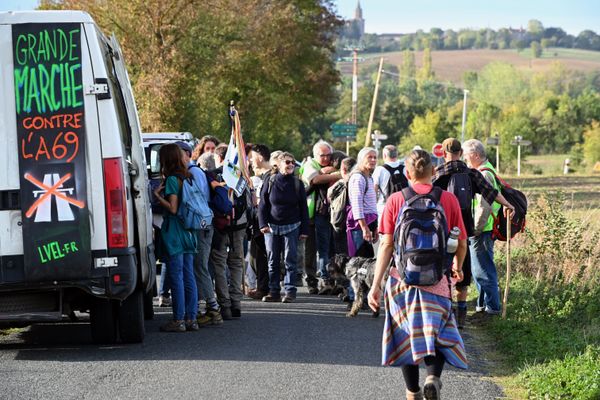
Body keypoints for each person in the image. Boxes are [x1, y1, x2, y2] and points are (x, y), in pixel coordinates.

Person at [368, 149, 468, 400]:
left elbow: (387, 245)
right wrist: (458, 266)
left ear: (407, 173)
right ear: (434, 171)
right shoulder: (448, 199)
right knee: (440, 332)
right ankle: (433, 377)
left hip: (403, 281)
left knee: (406, 334)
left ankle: (412, 393)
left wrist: (376, 284)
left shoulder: (394, 200)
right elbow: (462, 242)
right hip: (438, 280)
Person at [432, 138, 514, 328]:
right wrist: (508, 205)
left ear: (444, 154)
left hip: (442, 231)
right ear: (460, 153)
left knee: (443, 271)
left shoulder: (439, 173)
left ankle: (445, 313)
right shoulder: (471, 173)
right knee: (463, 272)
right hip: (464, 230)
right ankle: (461, 317)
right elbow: (491, 193)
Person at [175, 141, 223, 326]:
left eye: (179, 155)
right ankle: (207, 307)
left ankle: (213, 309)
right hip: (203, 224)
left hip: (201, 226)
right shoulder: (195, 172)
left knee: (200, 267)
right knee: (199, 267)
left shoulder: (193, 173)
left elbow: (195, 202)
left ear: (187, 154)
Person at [153, 144, 199, 332]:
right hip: (189, 230)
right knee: (189, 276)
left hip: (175, 231)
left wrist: (157, 195)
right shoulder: (189, 177)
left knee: (176, 276)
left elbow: (172, 208)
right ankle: (191, 319)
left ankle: (178, 319)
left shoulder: (172, 180)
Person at [259, 152, 309, 303]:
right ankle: (273, 291)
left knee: (290, 260)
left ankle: (290, 291)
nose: (291, 165)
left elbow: (303, 208)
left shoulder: (297, 183)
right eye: (287, 162)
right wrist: (262, 224)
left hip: (292, 226)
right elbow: (262, 204)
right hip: (272, 227)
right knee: (273, 260)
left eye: (293, 163)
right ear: (279, 164)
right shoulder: (270, 180)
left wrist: (304, 230)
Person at [209, 143, 251, 320]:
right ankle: (236, 303)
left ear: (219, 158)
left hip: (220, 227)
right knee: (236, 264)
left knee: (219, 264)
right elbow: (250, 204)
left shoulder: (212, 176)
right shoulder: (241, 176)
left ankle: (224, 305)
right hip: (239, 227)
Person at [462, 139, 503, 318]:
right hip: (484, 228)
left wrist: (476, 228)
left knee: (483, 270)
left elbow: (484, 205)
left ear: (476, 155)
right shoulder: (485, 169)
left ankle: (492, 309)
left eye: (466, 154)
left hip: (483, 229)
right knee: (480, 269)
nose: (464, 157)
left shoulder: (485, 174)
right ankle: (482, 307)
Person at [300, 140, 341, 293]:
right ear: (315, 155)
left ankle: (329, 280)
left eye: (328, 155)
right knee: (312, 250)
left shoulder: (328, 167)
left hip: (328, 214)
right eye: (322, 155)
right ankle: (313, 281)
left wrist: (330, 172)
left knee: (330, 248)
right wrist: (338, 174)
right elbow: (315, 179)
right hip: (311, 214)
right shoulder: (311, 165)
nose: (326, 158)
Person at [246, 144, 272, 299]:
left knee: (264, 257)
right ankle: (262, 286)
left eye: (251, 157)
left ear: (260, 157)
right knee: (256, 257)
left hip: (266, 223)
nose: (249, 160)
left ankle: (266, 288)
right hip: (257, 223)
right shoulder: (262, 176)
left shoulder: (271, 176)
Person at [347, 147, 378, 257]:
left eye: (375, 157)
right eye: (369, 157)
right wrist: (364, 228)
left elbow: (372, 205)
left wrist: (375, 227)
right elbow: (357, 205)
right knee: (359, 261)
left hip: (369, 223)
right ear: (360, 159)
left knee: (367, 258)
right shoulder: (358, 178)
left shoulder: (369, 177)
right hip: (360, 226)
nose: (373, 160)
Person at [373, 145, 408, 224]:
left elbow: (374, 190)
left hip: (384, 207)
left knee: (385, 234)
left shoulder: (380, 170)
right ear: (397, 154)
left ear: (384, 155)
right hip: (403, 207)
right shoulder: (405, 168)